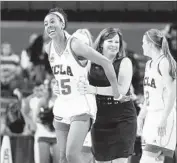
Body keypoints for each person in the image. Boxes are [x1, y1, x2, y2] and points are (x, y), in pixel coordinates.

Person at [43, 7, 127, 163]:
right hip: (62, 104)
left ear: (62, 24)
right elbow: (62, 75)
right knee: (62, 158)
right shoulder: (49, 48)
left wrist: (116, 92)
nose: (48, 26)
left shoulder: (75, 45)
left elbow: (106, 63)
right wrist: (56, 85)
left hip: (81, 104)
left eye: (52, 22)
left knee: (72, 155)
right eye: (45, 23)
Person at [78, 27, 137, 163]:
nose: (114, 45)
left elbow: (121, 90)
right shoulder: (90, 63)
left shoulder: (125, 62)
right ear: (101, 43)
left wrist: (94, 89)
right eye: (110, 41)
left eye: (117, 42)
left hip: (123, 118)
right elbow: (78, 82)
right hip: (99, 119)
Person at [137, 29, 176, 163]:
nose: (142, 46)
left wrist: (164, 118)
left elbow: (172, 93)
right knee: (156, 160)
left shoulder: (164, 62)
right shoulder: (149, 64)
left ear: (151, 44)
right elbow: (150, 95)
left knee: (147, 159)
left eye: (143, 43)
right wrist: (141, 115)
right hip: (150, 115)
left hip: (163, 115)